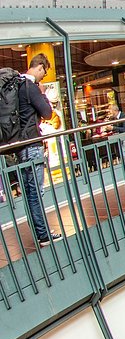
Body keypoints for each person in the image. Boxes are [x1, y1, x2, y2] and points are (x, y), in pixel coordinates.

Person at [9, 58, 58, 246]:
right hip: (32, 146)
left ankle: (41, 232)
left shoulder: (17, 86)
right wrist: (43, 94)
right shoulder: (30, 87)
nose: (43, 77)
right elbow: (47, 113)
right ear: (39, 67)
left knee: (30, 192)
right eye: (44, 72)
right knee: (36, 192)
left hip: (21, 146)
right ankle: (43, 235)